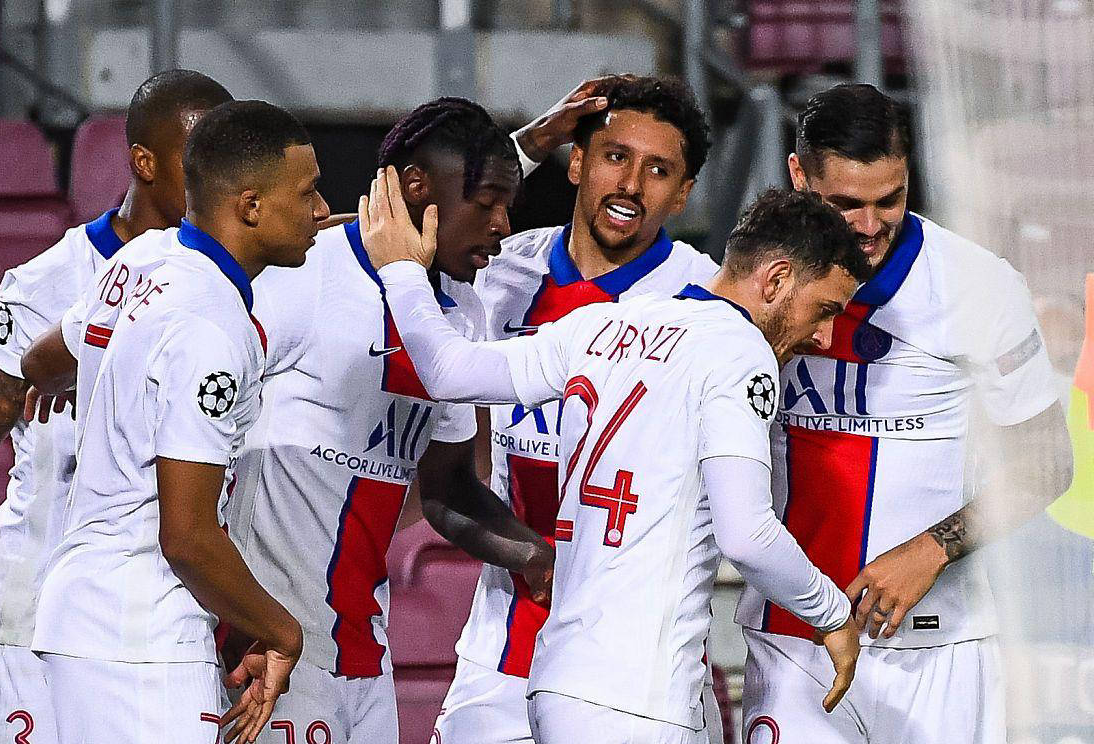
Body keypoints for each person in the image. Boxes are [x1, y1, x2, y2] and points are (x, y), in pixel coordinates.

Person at [361, 169, 867, 744]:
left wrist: (402, 272)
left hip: (554, 682)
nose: (825, 337)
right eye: (824, 309)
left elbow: (449, 372)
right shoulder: (739, 352)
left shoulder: (603, 323)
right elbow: (747, 535)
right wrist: (831, 613)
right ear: (776, 280)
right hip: (639, 699)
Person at [0, 70, 232, 744]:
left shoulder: (234, 287)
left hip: (155, 635)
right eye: (201, 157)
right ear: (144, 162)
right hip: (26, 624)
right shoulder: (49, 284)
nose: (219, 177)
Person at [735, 83, 1075, 744]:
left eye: (889, 199)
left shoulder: (980, 283)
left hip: (942, 652)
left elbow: (1047, 462)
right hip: (793, 644)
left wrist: (932, 549)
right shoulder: (753, 281)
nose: (868, 226)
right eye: (846, 204)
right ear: (799, 175)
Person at [226, 97, 553, 743]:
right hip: (270, 649)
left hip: (364, 653)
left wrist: (536, 557)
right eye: (486, 203)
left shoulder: (459, 313)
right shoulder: (301, 274)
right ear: (416, 187)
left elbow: (448, 487)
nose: (502, 225)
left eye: (507, 205)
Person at [429, 74, 726, 744]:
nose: (631, 186)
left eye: (658, 171)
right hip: (501, 655)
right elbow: (396, 225)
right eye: (616, 157)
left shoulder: (707, 297)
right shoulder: (498, 268)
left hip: (639, 677)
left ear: (683, 194)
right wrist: (527, 144)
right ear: (578, 162)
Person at [29, 100, 328, 744]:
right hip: (141, 634)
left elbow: (41, 362)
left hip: (82, 615)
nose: (321, 210)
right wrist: (282, 632)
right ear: (251, 206)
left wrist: (101, 388)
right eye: (307, 193)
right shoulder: (209, 326)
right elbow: (187, 537)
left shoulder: (144, 258)